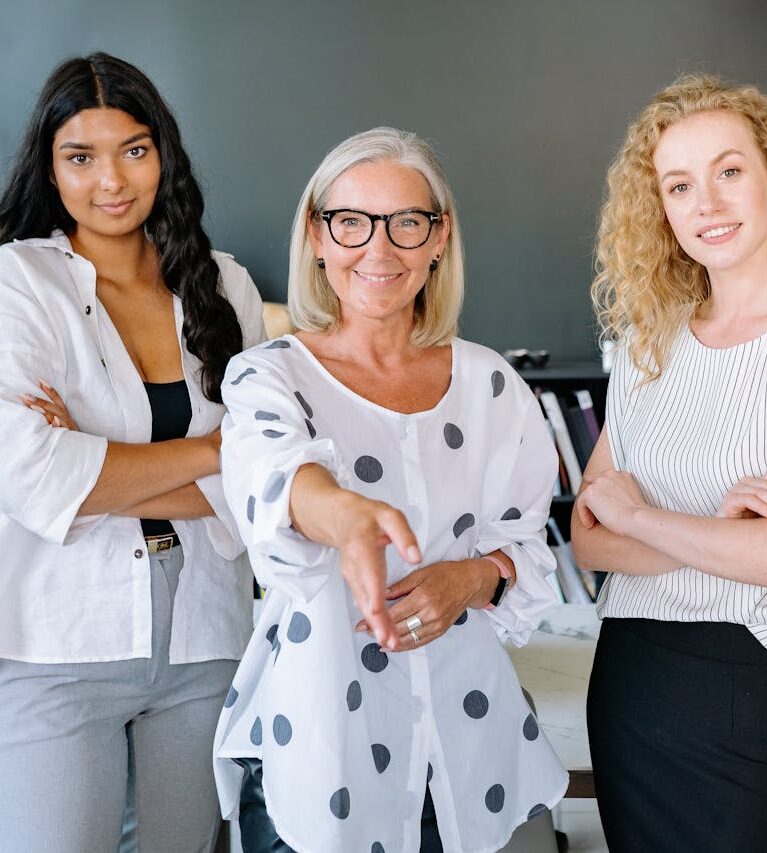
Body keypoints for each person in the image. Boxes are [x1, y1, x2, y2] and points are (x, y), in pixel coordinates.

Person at [212, 127, 567, 853]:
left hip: (465, 760)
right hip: (319, 756)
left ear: (439, 240)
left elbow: (527, 550)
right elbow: (278, 481)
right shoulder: (269, 375)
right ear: (316, 234)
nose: (379, 250)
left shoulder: (492, 384)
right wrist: (347, 517)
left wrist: (473, 577)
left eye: (407, 223)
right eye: (351, 222)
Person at [572, 74, 767, 851]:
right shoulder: (647, 343)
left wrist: (642, 516)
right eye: (679, 185)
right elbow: (587, 539)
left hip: (748, 686)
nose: (706, 203)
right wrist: (716, 530)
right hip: (629, 679)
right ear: (661, 208)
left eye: (729, 171)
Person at [0, 53, 265, 852]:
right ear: (49, 169)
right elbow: (34, 479)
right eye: (80, 156)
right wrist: (215, 450)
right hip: (59, 639)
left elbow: (263, 479)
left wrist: (97, 463)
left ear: (165, 156)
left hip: (206, 633)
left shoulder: (226, 286)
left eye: (135, 150)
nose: (110, 180)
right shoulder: (19, 284)